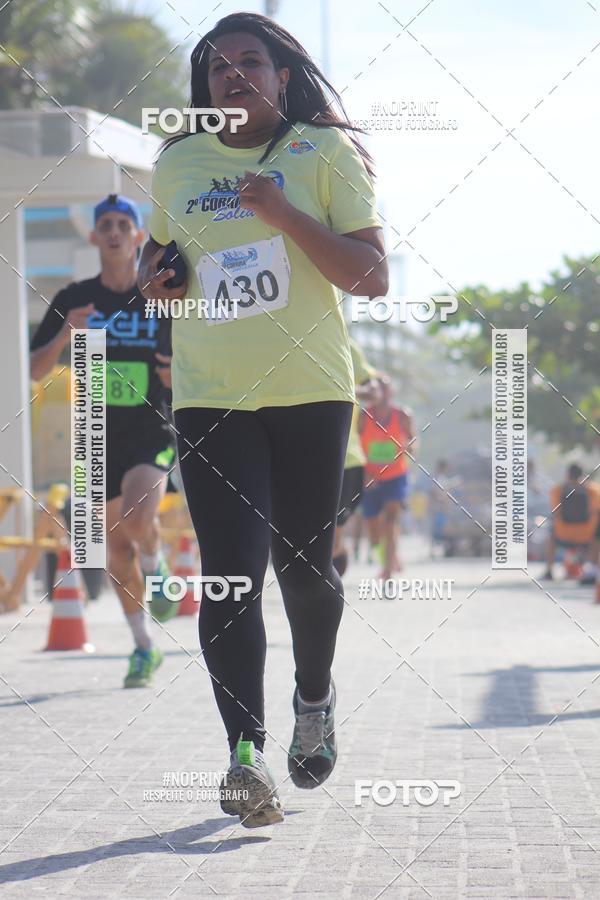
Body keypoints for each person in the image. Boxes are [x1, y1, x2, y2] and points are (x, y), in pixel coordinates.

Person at [138, 12, 388, 827]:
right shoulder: (177, 161)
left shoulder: (326, 152)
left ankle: (313, 699)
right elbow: (160, 258)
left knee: (306, 574)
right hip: (212, 395)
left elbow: (372, 275)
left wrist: (285, 217)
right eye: (217, 65)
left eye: (251, 61)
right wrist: (160, 277)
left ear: (284, 77)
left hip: (312, 393)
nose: (233, 74)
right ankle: (244, 756)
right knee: (230, 576)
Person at [30, 194, 177, 688]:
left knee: (139, 518)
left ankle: (159, 573)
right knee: (114, 554)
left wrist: (178, 373)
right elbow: (33, 369)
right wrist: (67, 334)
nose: (114, 232)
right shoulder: (75, 298)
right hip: (93, 435)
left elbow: (193, 365)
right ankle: (142, 647)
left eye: (123, 225)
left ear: (139, 237)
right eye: (105, 225)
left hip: (149, 429)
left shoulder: (161, 297)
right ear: (93, 237)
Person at [332, 339, 381, 577]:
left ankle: (328, 577)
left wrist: (337, 390)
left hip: (347, 460)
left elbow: (373, 391)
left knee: (332, 529)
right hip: (294, 457)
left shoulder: (346, 344)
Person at [359, 375, 415, 579]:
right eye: (377, 388)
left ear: (391, 392)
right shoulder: (364, 416)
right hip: (371, 476)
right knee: (373, 529)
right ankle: (391, 558)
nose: (380, 392)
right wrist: (364, 473)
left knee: (391, 521)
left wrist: (410, 447)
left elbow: (412, 440)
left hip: (396, 475)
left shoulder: (402, 415)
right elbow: (356, 444)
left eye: (385, 388)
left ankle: (388, 569)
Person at [542, 463, 600, 580]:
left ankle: (549, 570)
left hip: (562, 534)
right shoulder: (594, 491)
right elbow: (596, 511)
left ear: (567, 475)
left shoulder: (557, 490)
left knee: (550, 537)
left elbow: (555, 512)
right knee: (597, 536)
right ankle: (592, 569)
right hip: (587, 536)